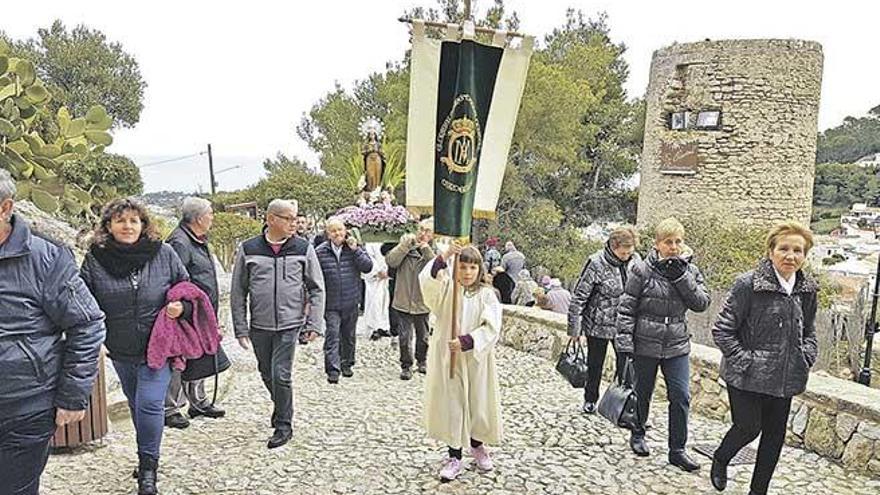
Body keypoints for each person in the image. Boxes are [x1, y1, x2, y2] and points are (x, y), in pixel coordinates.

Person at [0, 169, 105, 495]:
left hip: (25, 408)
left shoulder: (46, 258)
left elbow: (86, 324)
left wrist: (72, 396)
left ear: (5, 208)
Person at [81, 198, 190, 495]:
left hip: (159, 345)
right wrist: (94, 338)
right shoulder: (95, 258)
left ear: (143, 225)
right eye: (120, 220)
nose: (127, 226)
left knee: (151, 403)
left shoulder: (164, 253)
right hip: (120, 346)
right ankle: (146, 455)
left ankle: (148, 470)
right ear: (108, 226)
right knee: (136, 403)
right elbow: (83, 301)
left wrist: (180, 307)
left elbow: (186, 289)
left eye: (133, 220)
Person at [710, 222, 817, 495]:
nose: (790, 256)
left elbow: (810, 329)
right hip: (746, 376)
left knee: (774, 438)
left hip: (786, 377)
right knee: (748, 428)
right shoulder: (748, 284)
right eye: (784, 248)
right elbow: (723, 330)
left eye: (797, 250)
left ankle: (758, 491)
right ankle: (721, 458)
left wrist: (805, 355)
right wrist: (746, 360)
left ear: (805, 255)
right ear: (771, 251)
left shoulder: (807, 289)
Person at [615, 217, 710, 471]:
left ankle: (677, 450)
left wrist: (681, 277)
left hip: (677, 343)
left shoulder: (690, 270)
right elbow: (626, 308)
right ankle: (638, 432)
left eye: (678, 241)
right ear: (657, 244)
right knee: (642, 392)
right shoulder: (642, 270)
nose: (674, 247)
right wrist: (624, 344)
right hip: (645, 341)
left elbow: (701, 303)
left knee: (680, 396)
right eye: (668, 242)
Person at [231, 199, 325, 449]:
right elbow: (238, 291)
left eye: (295, 218)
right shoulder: (248, 248)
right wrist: (240, 327)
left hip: (290, 323)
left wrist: (314, 324)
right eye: (288, 218)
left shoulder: (303, 248)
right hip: (260, 324)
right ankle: (282, 406)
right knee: (265, 372)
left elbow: (317, 288)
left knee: (280, 374)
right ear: (271, 219)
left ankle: (284, 424)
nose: (294, 223)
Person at [420, 243, 503, 482]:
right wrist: (445, 255)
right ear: (456, 268)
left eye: (472, 267)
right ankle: (454, 455)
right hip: (449, 359)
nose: (467, 272)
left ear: (479, 270)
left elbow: (492, 326)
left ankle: (477, 445)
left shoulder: (487, 294)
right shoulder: (447, 289)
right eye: (463, 267)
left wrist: (468, 340)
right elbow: (428, 281)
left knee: (477, 402)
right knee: (453, 405)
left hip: (476, 359)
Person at [163, 197, 226, 429]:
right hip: (187, 313)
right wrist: (184, 308)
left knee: (201, 354)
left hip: (203, 312)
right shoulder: (179, 242)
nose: (212, 217)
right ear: (199, 218)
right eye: (210, 213)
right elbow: (175, 280)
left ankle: (198, 402)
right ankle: (170, 408)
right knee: (181, 358)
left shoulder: (197, 239)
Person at [567, 227, 641, 414]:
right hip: (598, 324)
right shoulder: (596, 263)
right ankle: (590, 398)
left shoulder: (636, 261)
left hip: (625, 325)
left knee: (626, 367)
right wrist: (575, 329)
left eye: (630, 251)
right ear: (613, 247)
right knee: (595, 364)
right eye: (624, 252)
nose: (627, 255)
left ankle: (619, 403)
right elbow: (579, 296)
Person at [315, 218, 373, 383]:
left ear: (345, 230)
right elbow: (314, 277)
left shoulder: (354, 248)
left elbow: (367, 267)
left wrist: (356, 250)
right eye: (333, 231)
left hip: (351, 300)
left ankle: (347, 363)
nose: (338, 234)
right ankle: (333, 369)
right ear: (328, 234)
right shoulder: (320, 252)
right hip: (331, 303)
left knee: (348, 335)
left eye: (340, 230)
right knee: (332, 334)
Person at [385, 218, 435, 380]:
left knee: (423, 336)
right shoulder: (405, 247)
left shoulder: (433, 251)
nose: (423, 234)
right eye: (421, 230)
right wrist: (404, 246)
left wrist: (426, 250)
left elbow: (436, 267)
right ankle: (406, 365)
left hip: (423, 300)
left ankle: (422, 360)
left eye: (427, 231)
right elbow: (391, 261)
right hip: (403, 299)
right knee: (404, 336)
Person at [363, 242, 391, 339]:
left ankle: (383, 326)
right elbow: (369, 256)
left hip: (386, 273)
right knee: (374, 301)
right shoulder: (370, 243)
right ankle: (373, 328)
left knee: (385, 300)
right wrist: (377, 271)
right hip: (374, 277)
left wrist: (388, 269)